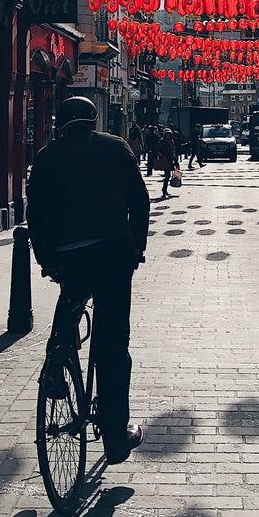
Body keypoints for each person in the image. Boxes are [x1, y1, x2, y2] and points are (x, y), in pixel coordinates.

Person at [26, 96, 150, 465]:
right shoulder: (116, 148)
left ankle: (56, 362)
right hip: (113, 255)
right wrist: (136, 248)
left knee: (70, 301)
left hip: (67, 255)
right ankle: (115, 436)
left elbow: (36, 214)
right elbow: (140, 202)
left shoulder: (47, 157)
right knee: (113, 344)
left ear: (59, 124)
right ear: (94, 120)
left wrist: (47, 260)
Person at [155, 126, 178, 198]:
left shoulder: (171, 141)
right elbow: (158, 150)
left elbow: (173, 150)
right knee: (167, 175)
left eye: (169, 134)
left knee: (172, 173)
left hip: (171, 159)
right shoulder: (162, 142)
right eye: (167, 134)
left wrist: (175, 159)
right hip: (166, 160)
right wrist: (161, 155)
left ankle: (165, 189)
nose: (168, 135)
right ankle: (164, 190)